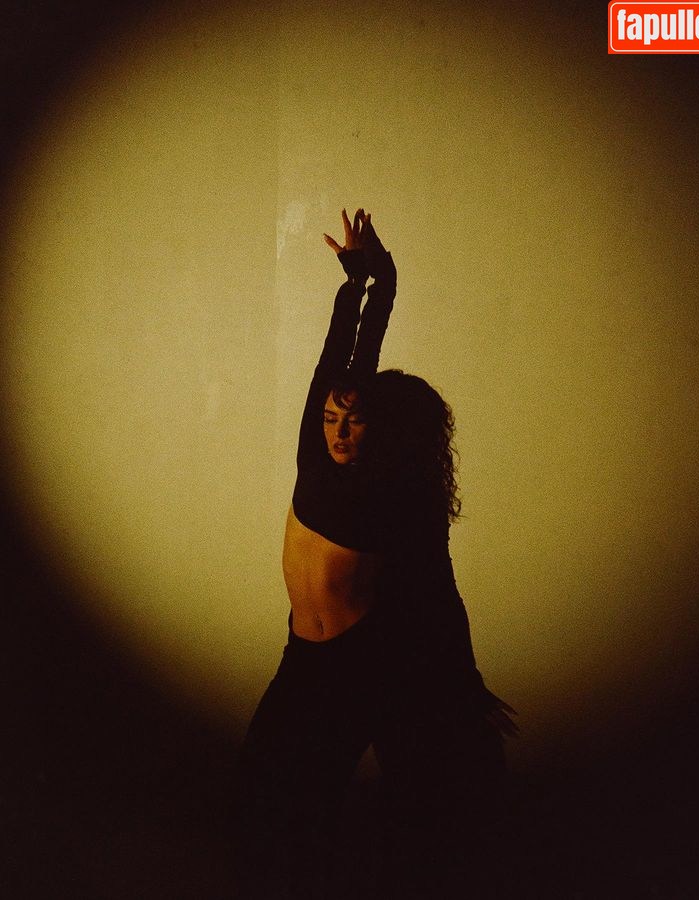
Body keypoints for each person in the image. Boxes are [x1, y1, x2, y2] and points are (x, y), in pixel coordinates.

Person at [237, 209, 517, 900]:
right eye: (332, 418)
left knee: (355, 794)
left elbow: (439, 590)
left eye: (354, 421)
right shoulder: (315, 452)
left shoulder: (395, 499)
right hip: (302, 654)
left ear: (381, 430)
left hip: (359, 663)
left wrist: (467, 681)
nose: (337, 431)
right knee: (265, 782)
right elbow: (345, 350)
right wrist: (365, 278)